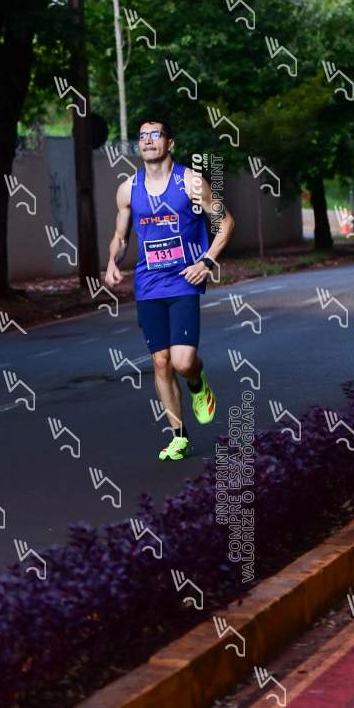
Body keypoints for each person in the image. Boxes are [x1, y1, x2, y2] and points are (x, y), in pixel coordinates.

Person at [104, 119, 235, 460]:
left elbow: (225, 222)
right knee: (161, 363)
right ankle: (179, 436)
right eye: (142, 136)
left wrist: (207, 261)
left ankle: (197, 381)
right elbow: (120, 236)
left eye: (155, 135)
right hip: (148, 284)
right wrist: (113, 261)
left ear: (170, 143)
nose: (147, 141)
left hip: (184, 280)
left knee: (182, 361)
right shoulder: (128, 189)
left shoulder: (190, 182)